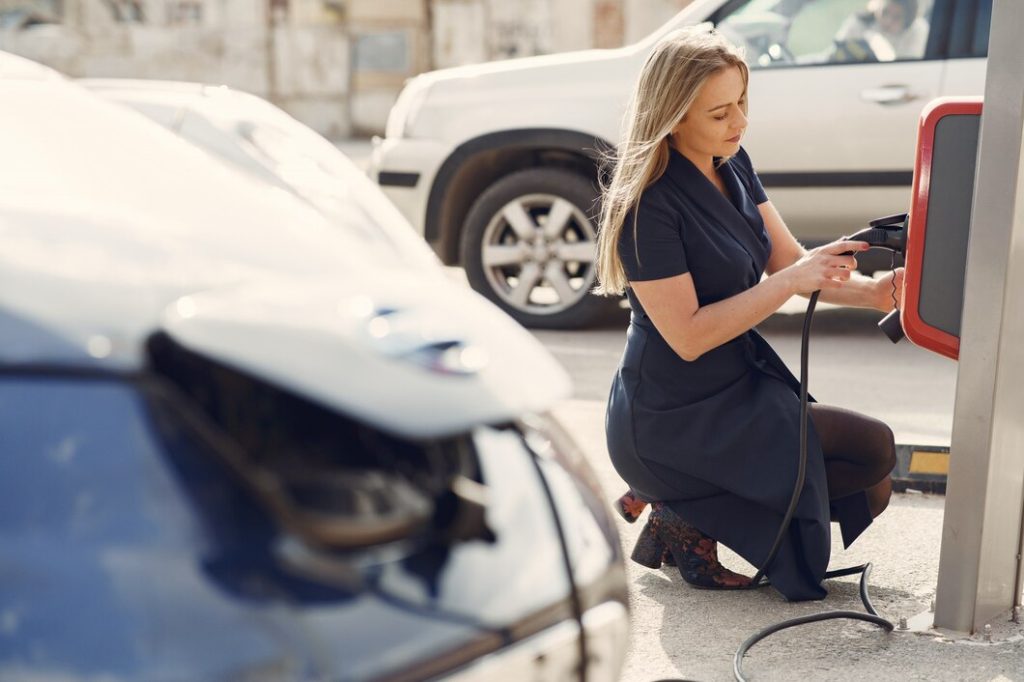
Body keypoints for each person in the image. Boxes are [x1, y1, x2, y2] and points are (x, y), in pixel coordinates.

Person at [595, 26, 904, 601]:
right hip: (669, 412)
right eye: (720, 112)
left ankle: (680, 501)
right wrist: (792, 281)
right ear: (673, 117)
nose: (739, 122)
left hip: (736, 381)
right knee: (871, 450)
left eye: (742, 102)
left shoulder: (733, 163)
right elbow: (688, 337)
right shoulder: (647, 204)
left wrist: (877, 292)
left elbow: (788, 261)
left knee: (874, 478)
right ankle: (677, 493)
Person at [833, 0, 928, 61]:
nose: (888, 21)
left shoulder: (918, 30)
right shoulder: (859, 22)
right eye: (885, 12)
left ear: (908, 20)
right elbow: (835, 52)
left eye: (897, 17)